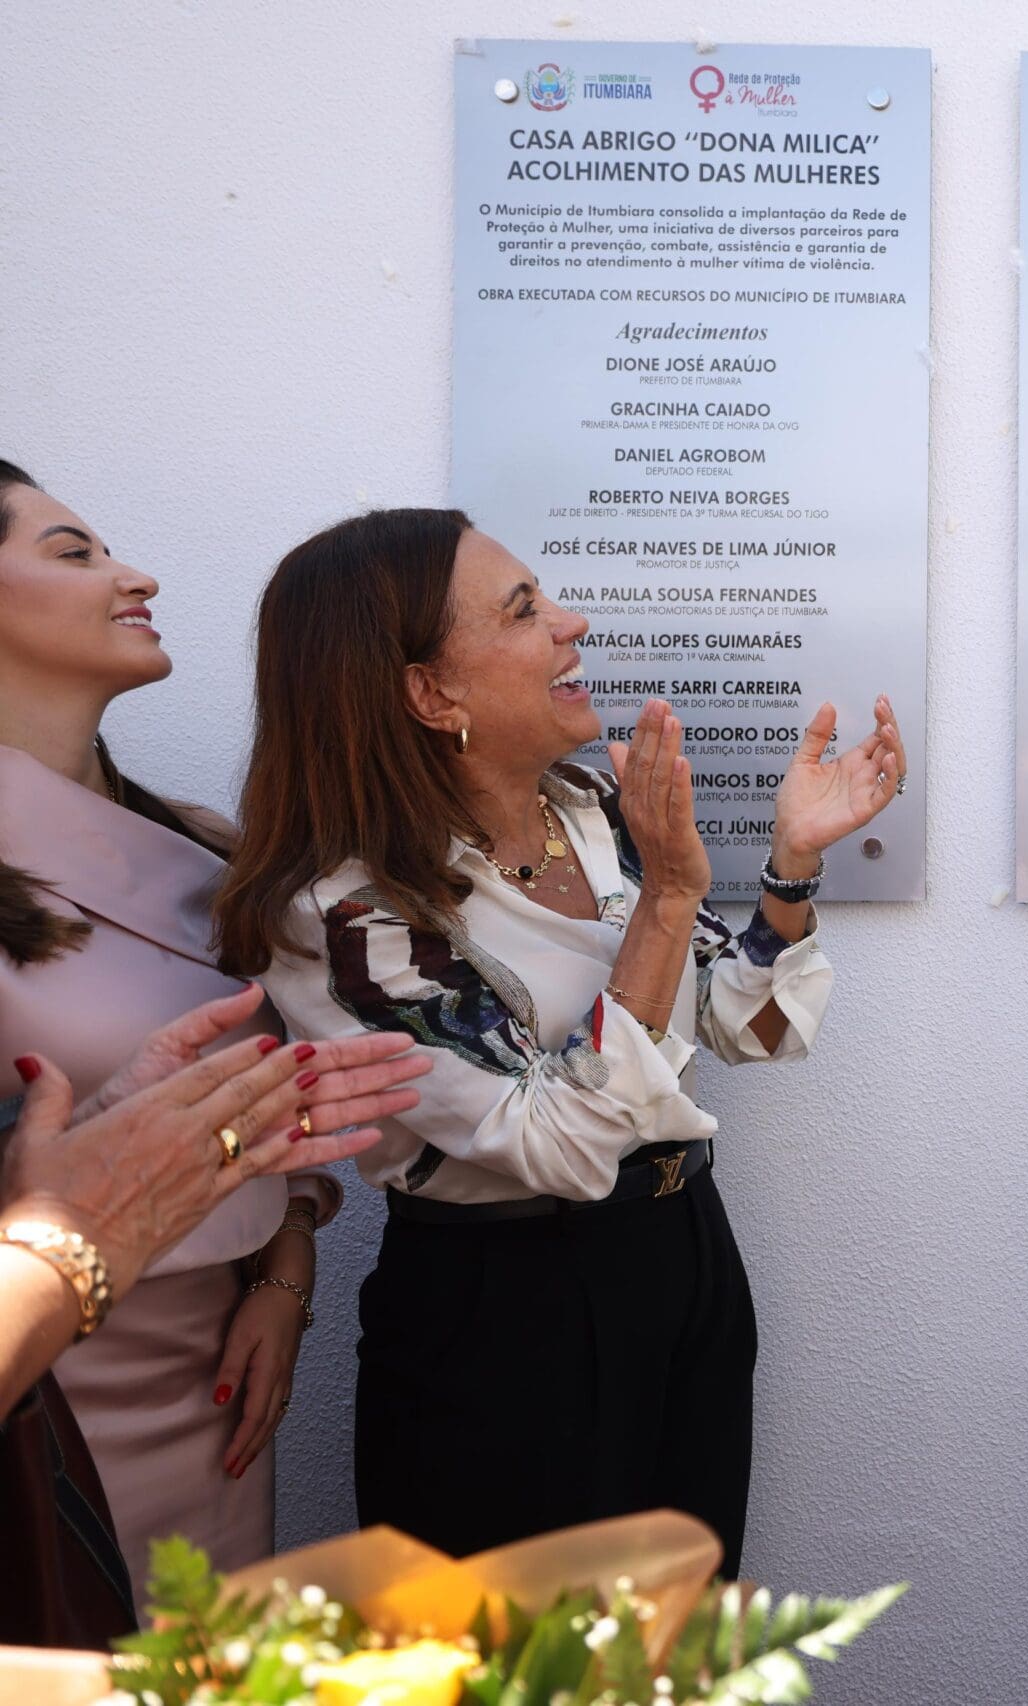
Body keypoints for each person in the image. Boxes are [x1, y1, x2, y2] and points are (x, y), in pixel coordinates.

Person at [213, 507, 906, 1576]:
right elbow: (557, 1141)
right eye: (524, 609)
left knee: (683, 1636)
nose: (572, 623)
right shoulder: (346, 913)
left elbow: (747, 1024)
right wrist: (667, 900)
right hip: (508, 1312)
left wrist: (791, 863)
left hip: (681, 1260)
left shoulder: (589, 812)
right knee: (529, 1650)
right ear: (431, 694)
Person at [0, 459, 375, 1578]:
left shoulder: (210, 846)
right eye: (75, 554)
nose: (136, 577)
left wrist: (287, 1270)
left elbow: (282, 1095)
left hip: (217, 1379)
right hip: (43, 1395)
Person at [2, 990, 417, 1646]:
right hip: (46, 1383)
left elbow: (269, 1103)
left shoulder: (226, 918)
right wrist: (76, 1236)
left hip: (207, 1364)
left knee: (207, 1649)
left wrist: (289, 1248)